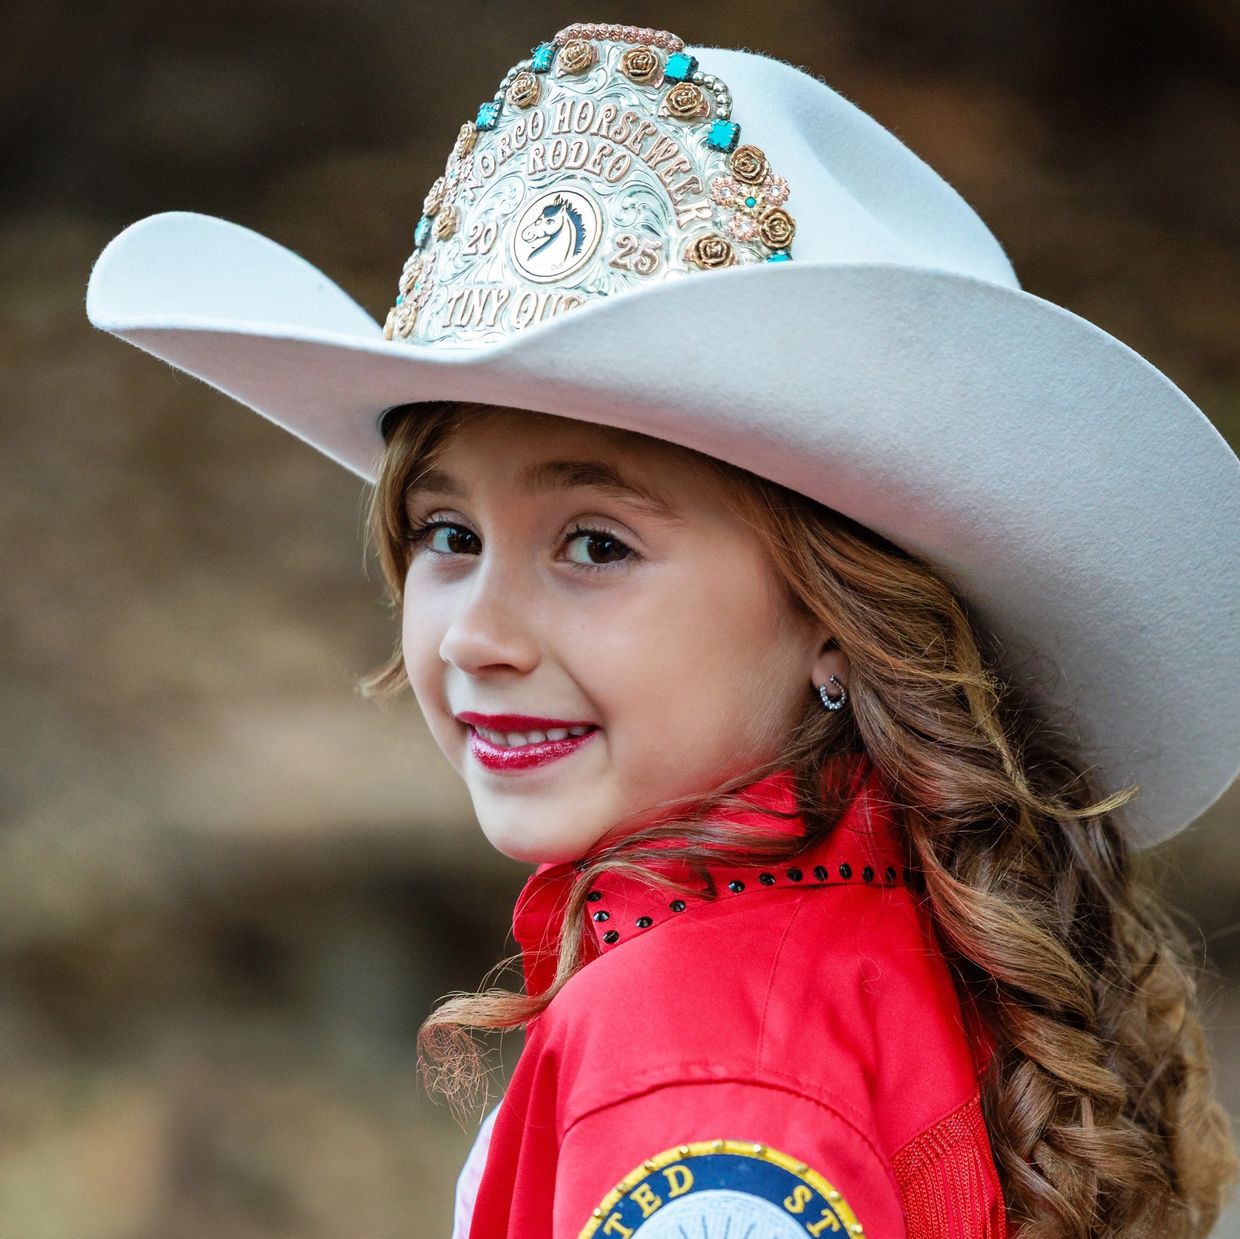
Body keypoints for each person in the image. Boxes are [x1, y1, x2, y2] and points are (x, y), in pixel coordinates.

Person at [84, 21, 1240, 1239]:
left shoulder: (695, 1059)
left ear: (837, 618)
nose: (476, 636)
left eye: (596, 545)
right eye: (447, 534)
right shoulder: (877, 947)